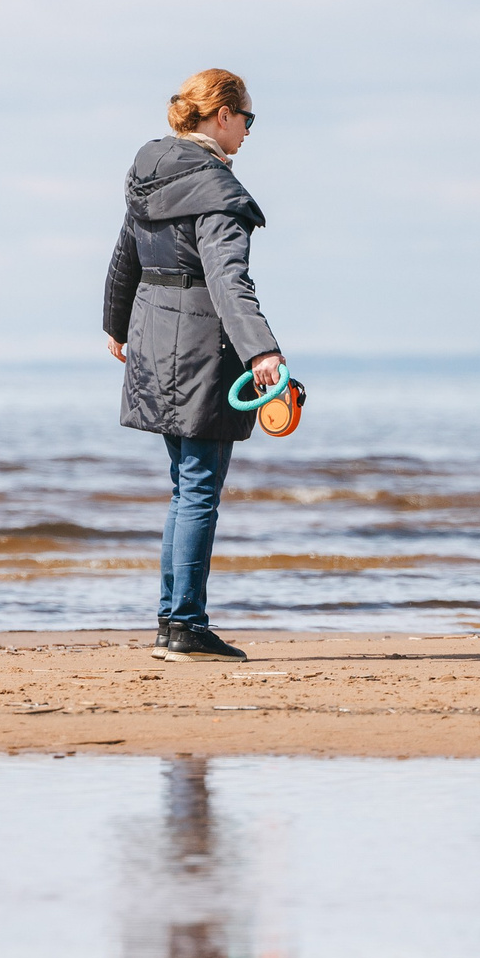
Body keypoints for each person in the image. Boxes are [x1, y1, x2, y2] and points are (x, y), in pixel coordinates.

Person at [102, 68, 286, 663]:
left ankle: (170, 621)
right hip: (204, 344)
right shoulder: (216, 189)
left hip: (153, 337)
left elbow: (123, 255)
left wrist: (114, 324)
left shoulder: (150, 172)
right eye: (247, 120)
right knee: (199, 487)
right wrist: (263, 351)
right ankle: (185, 625)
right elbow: (230, 280)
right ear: (221, 114)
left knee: (185, 488)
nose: (249, 132)